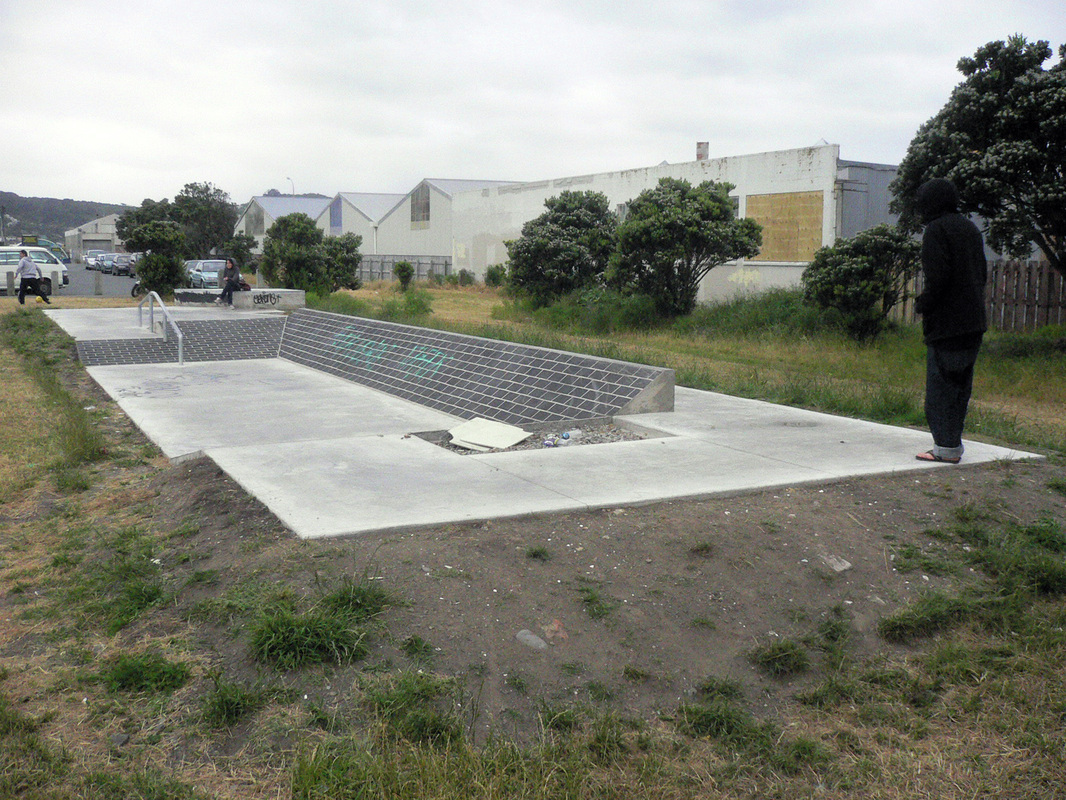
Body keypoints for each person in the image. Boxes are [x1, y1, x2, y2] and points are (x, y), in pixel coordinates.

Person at [913, 178, 987, 464]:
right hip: (973, 322)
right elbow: (981, 273)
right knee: (959, 390)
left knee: (941, 390)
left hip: (947, 325)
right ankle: (952, 445)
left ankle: (944, 448)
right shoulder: (969, 227)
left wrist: (924, 304)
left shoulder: (936, 230)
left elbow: (938, 278)